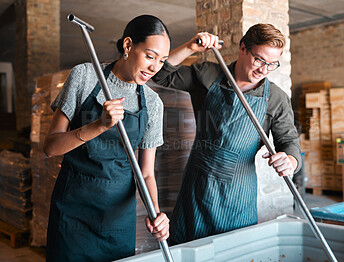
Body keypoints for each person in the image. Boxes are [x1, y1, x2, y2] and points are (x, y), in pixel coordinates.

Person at [152, 23, 302, 245]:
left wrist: (290, 161)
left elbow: (288, 142)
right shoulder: (209, 74)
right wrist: (190, 47)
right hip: (197, 188)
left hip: (238, 194)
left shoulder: (276, 99)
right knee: (187, 251)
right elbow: (161, 75)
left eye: (272, 64)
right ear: (243, 48)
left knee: (235, 252)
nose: (264, 70)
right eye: (259, 60)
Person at [43, 15, 171, 262]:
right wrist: (99, 126)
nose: (156, 67)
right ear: (128, 46)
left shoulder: (153, 103)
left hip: (117, 219)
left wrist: (155, 212)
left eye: (162, 61)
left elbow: (145, 174)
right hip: (73, 212)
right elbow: (51, 147)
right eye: (150, 56)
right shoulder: (85, 76)